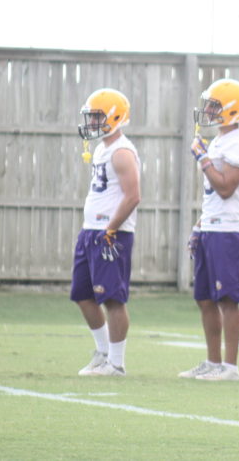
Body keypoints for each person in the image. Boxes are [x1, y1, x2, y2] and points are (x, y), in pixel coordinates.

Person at [178, 79, 239, 382]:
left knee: (227, 299)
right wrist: (200, 224)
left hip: (231, 230)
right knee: (205, 298)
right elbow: (213, 196)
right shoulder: (220, 141)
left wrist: (203, 159)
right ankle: (213, 363)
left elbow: (225, 187)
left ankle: (231, 366)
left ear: (231, 109)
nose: (208, 111)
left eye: (214, 106)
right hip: (213, 226)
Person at [72, 88, 141, 376]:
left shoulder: (122, 151)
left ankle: (116, 362)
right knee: (83, 295)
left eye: (98, 116)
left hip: (111, 232)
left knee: (112, 298)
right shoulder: (102, 148)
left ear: (114, 116)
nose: (92, 122)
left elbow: (133, 195)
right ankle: (102, 353)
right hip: (91, 230)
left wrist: (111, 228)